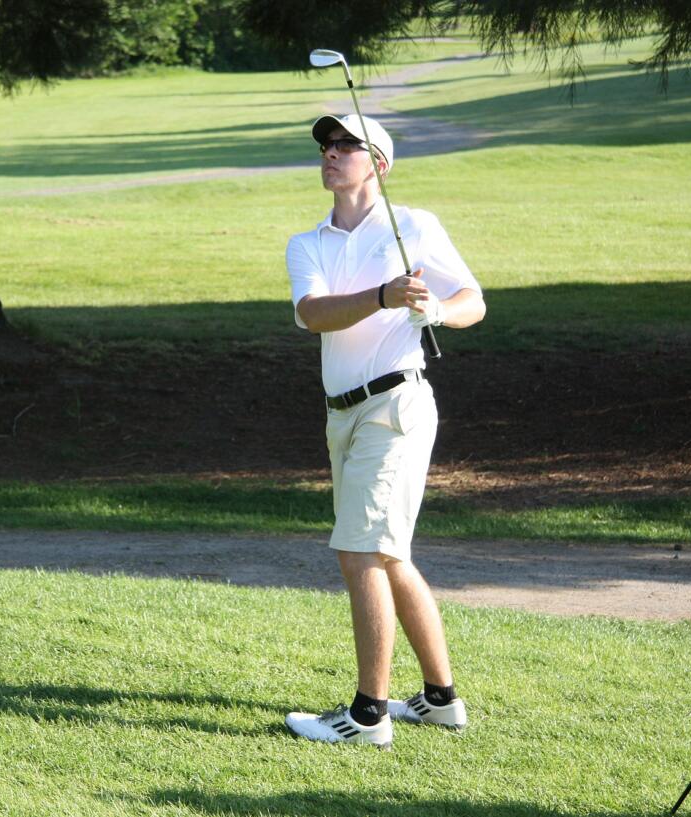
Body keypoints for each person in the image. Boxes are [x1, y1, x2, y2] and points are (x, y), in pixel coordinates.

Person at [283, 113, 486, 748]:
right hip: (340, 413)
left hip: (396, 405)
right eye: (327, 144)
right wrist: (384, 295)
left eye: (348, 145)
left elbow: (473, 300)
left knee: (361, 552)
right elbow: (313, 315)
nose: (332, 153)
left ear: (380, 164)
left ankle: (368, 715)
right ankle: (439, 700)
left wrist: (438, 309)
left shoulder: (414, 226)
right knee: (385, 552)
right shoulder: (308, 242)